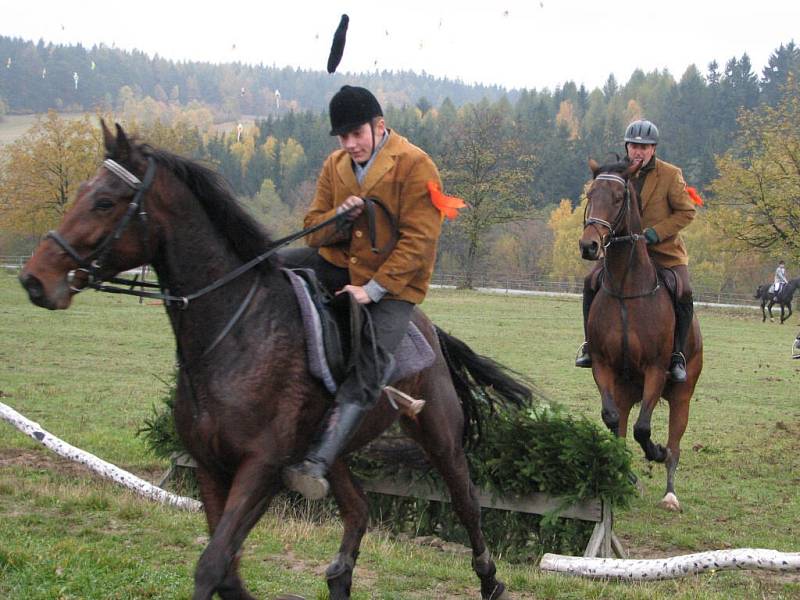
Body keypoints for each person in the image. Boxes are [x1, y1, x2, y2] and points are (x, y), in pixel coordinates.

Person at [281, 85, 445, 500]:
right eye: (343, 137)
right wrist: (338, 218)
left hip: (393, 289)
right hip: (338, 264)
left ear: (379, 126)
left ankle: (317, 462)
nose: (350, 144)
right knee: (272, 268)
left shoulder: (416, 165)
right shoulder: (335, 165)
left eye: (357, 134)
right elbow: (313, 226)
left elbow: (419, 242)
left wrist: (373, 290)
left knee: (370, 367)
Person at [575, 119, 697, 382]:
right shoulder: (614, 174)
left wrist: (656, 233)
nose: (638, 151)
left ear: (653, 149)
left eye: (645, 146)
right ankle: (589, 345)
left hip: (662, 251)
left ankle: (676, 355)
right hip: (623, 253)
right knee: (590, 281)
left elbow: (687, 212)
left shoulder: (669, 174)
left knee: (684, 290)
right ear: (627, 146)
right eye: (634, 146)